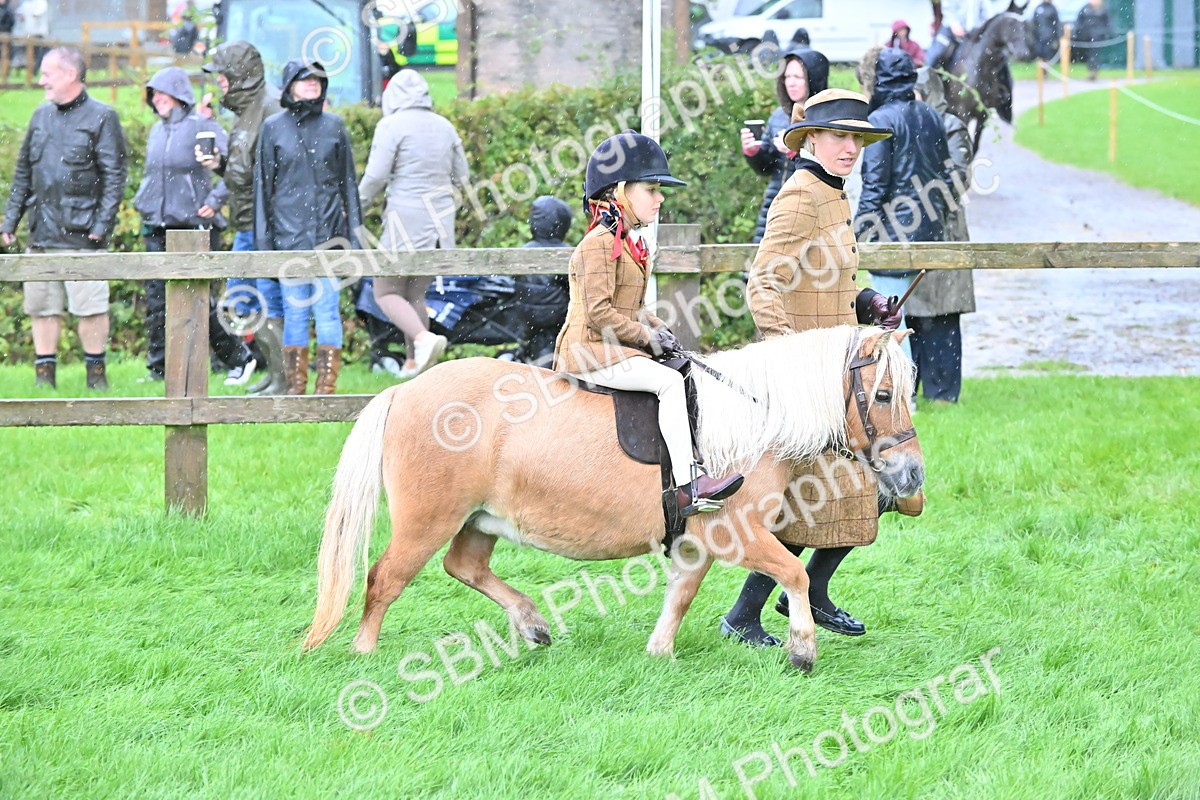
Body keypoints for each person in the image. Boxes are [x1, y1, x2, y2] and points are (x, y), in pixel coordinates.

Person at [724, 90, 898, 647]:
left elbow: (836, 278)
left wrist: (870, 303)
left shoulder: (835, 194)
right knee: (817, 492)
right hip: (808, 377)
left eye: (858, 139)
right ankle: (750, 613)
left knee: (846, 489)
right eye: (841, 137)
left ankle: (803, 594)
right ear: (813, 140)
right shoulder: (799, 197)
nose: (851, 148)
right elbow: (763, 284)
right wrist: (789, 361)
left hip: (836, 367)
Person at [553, 131, 744, 518]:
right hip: (587, 350)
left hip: (613, 345)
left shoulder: (632, 243)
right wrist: (646, 337)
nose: (660, 199)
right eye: (652, 189)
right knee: (668, 382)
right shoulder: (597, 245)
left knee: (686, 368)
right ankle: (689, 485)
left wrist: (662, 329)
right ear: (619, 190)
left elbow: (635, 307)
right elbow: (599, 314)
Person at [1, 47, 127, 390]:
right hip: (41, 231)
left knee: (91, 307)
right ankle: (45, 378)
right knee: (41, 307)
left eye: (47, 74)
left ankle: (95, 378)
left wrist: (101, 227)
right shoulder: (40, 117)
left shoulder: (102, 116)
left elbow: (114, 177)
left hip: (84, 233)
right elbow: (23, 173)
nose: (41, 81)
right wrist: (9, 222)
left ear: (70, 75)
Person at [132, 66, 258, 385]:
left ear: (179, 95)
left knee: (199, 299)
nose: (157, 98)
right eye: (153, 93)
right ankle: (159, 367)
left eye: (163, 92)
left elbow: (235, 171)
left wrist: (214, 201)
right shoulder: (157, 131)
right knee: (158, 298)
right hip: (157, 225)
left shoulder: (204, 126)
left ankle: (239, 359)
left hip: (194, 227)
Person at [255, 60, 363, 395]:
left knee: (328, 311)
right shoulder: (273, 127)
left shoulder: (334, 126)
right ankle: (295, 387)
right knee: (295, 312)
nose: (312, 84)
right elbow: (263, 189)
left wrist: (356, 237)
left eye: (317, 79)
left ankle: (326, 389)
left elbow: (349, 186)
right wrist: (264, 244)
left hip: (329, 237)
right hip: (289, 238)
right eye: (305, 80)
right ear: (289, 86)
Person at [358, 69, 463, 379]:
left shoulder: (391, 125)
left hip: (405, 218)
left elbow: (376, 176)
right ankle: (415, 366)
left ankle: (423, 339)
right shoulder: (445, 126)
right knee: (415, 294)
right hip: (440, 221)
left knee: (385, 291)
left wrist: (357, 205)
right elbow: (463, 176)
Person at [201, 41, 286, 394]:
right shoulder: (246, 109)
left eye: (221, 75)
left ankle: (283, 377)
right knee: (246, 300)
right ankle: (274, 372)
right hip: (248, 223)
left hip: (265, 226)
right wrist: (220, 165)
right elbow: (246, 172)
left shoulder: (271, 107)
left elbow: (279, 173)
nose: (217, 82)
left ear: (238, 75)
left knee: (260, 299)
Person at [905, 67, 977, 405]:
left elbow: (959, 180)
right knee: (913, 314)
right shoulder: (906, 123)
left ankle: (944, 395)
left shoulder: (950, 126)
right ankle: (910, 393)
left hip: (944, 231)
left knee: (943, 318)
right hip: (911, 230)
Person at [740, 47, 829, 243]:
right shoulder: (779, 116)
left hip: (812, 206)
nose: (791, 82)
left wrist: (796, 150)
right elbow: (767, 168)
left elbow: (832, 165)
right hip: (776, 202)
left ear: (813, 78)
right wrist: (754, 152)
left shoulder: (827, 117)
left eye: (798, 76)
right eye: (787, 76)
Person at [1074, 0, 1113, 80]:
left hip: (1098, 36)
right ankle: (1092, 70)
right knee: (1089, 54)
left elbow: (1108, 22)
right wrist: (1077, 31)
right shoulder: (1085, 8)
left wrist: (1109, 32)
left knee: (1094, 54)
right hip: (1086, 36)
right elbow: (1079, 21)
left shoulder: (1103, 9)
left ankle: (1093, 70)